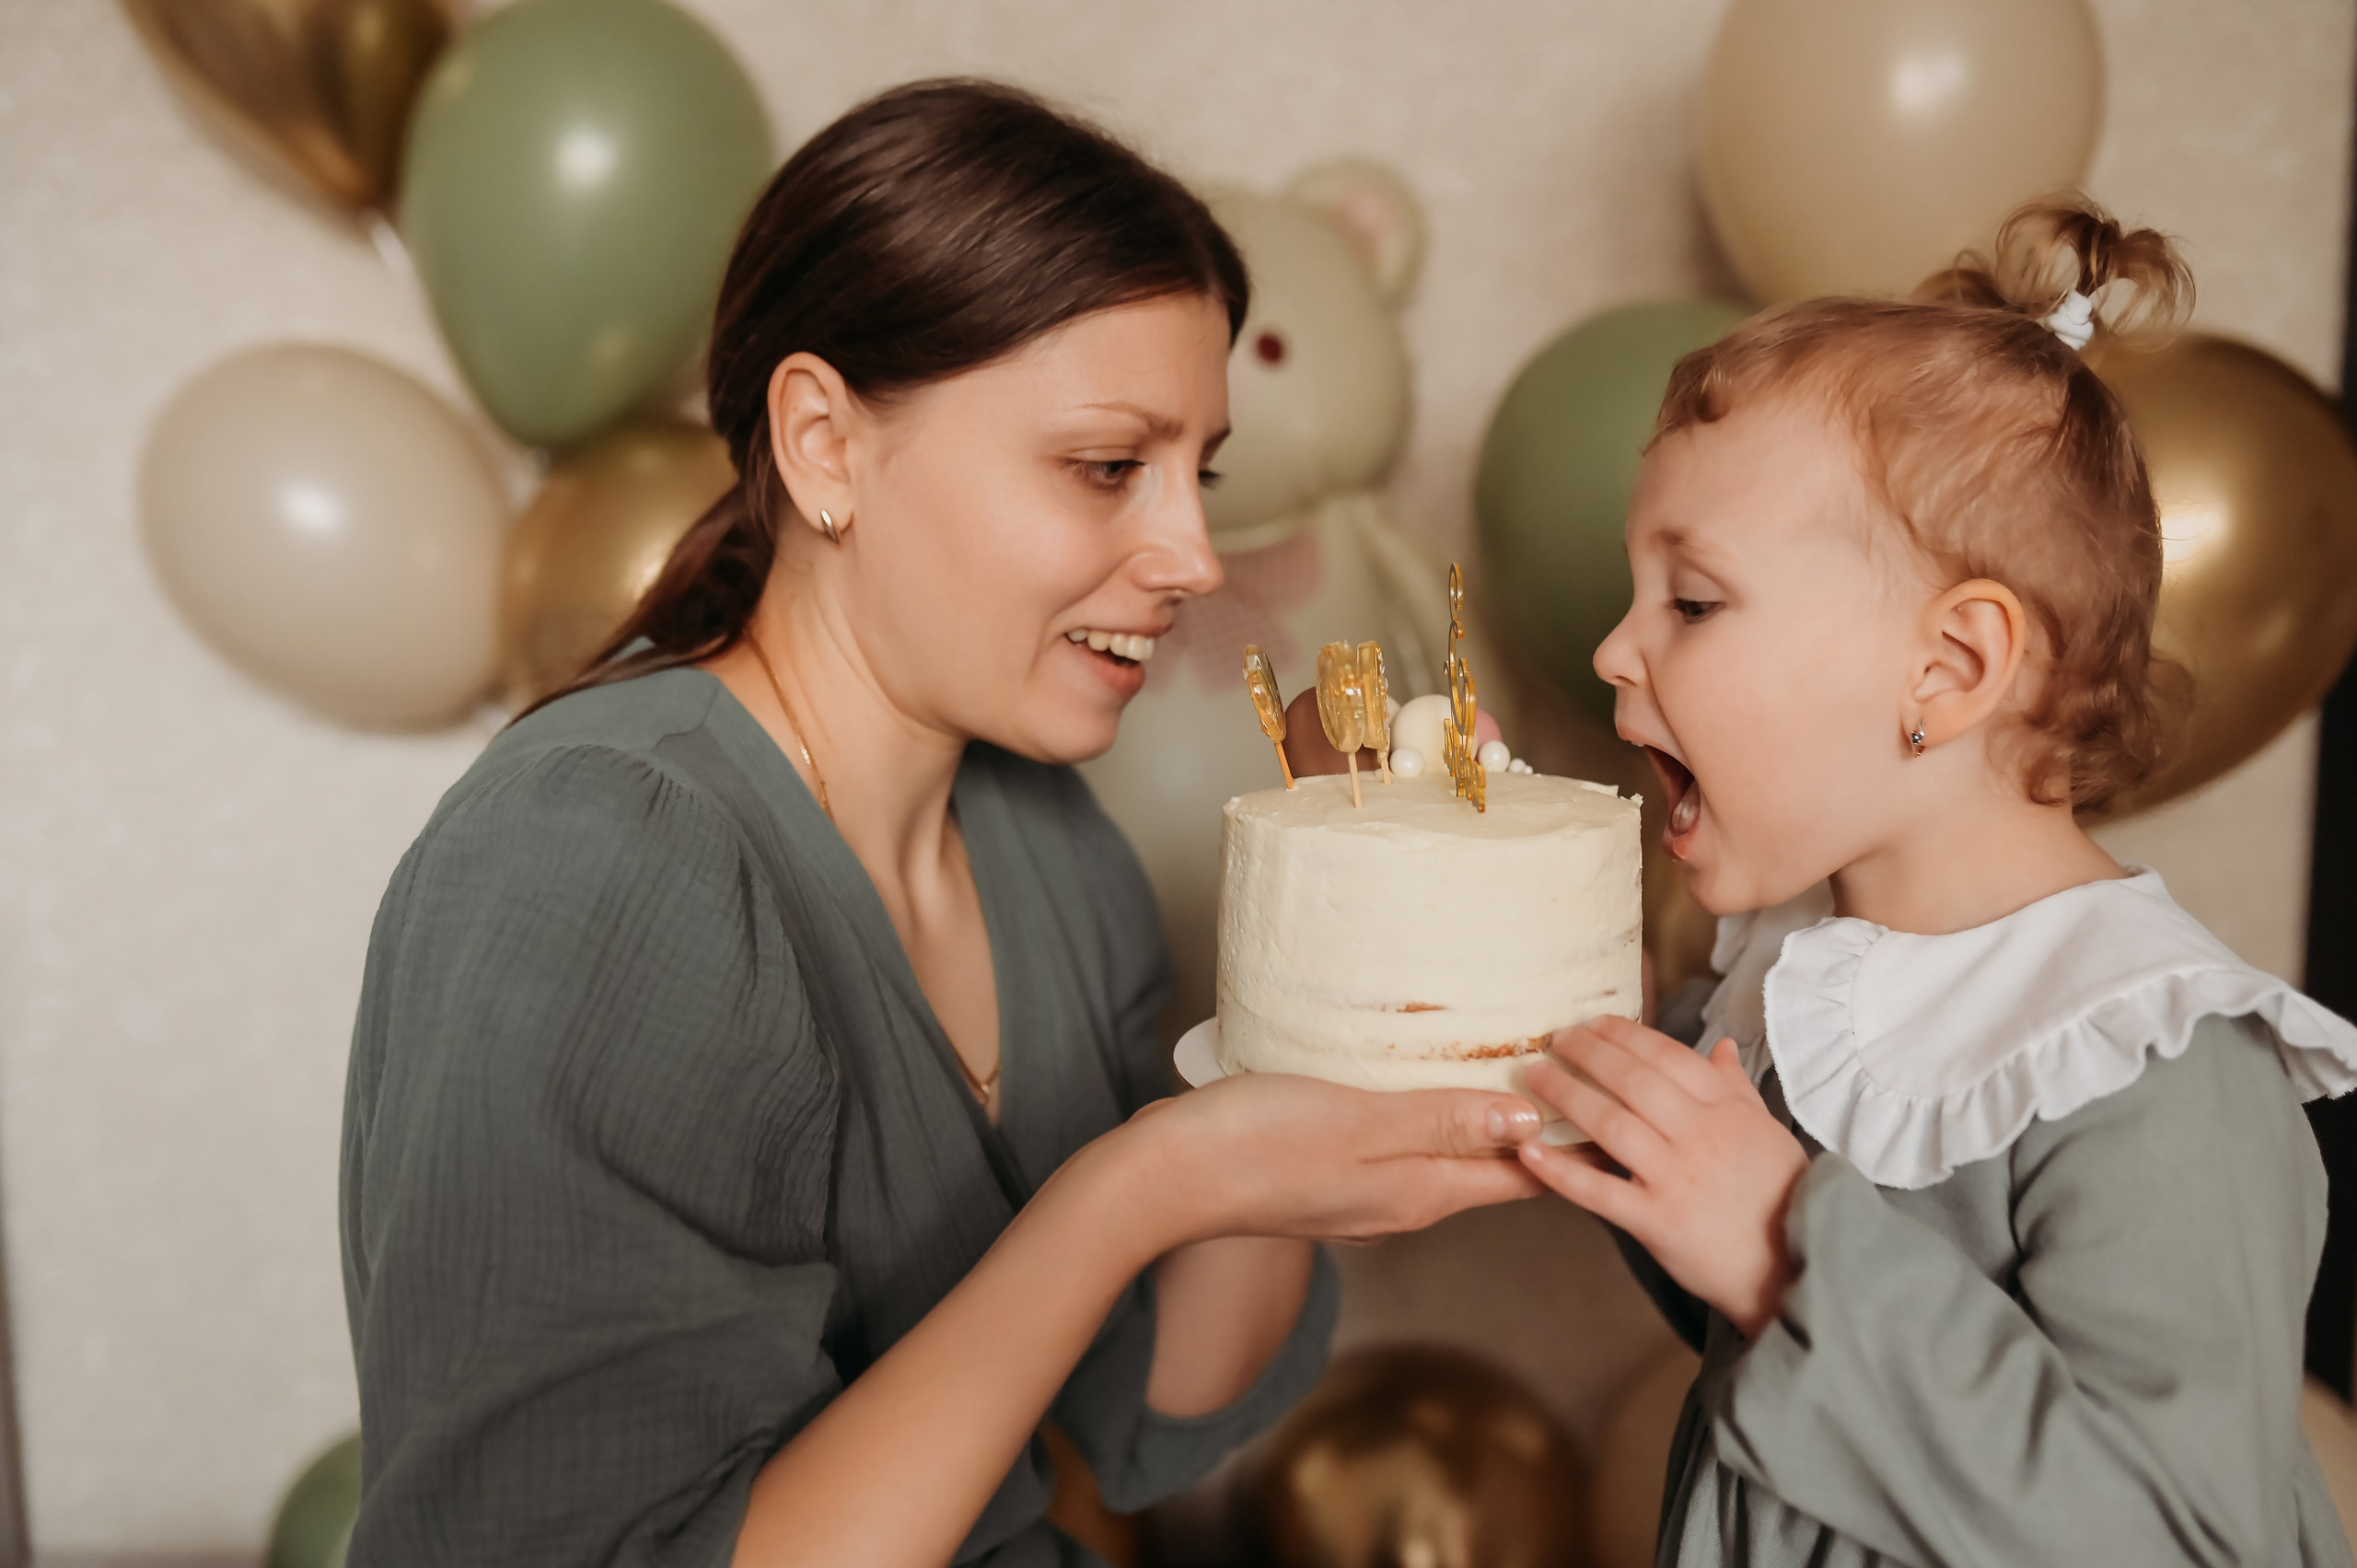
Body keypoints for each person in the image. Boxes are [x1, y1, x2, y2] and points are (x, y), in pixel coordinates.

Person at [339, 80, 1546, 1568]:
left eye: (1201, 475)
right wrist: (1132, 1190)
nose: (1188, 553)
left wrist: (1330, 937)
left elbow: (1153, 1401)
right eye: (1110, 466)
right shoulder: (599, 859)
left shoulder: (1046, 842)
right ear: (825, 444)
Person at [1515, 196, 2357, 1565]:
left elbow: (2174, 1541)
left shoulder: (2156, 1067)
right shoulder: (1792, 986)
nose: (1615, 651)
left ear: (1950, 671)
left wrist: (1789, 1245)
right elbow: (1769, 1372)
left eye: (1693, 601)